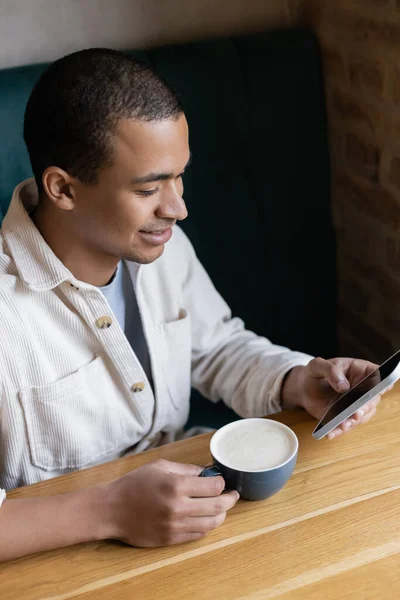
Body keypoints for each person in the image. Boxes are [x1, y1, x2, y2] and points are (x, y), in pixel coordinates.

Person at [0, 48, 381, 561]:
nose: (178, 207)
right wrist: (109, 510)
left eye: (179, 176)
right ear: (63, 188)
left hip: (199, 526)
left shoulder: (158, 243)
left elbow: (215, 346)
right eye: (149, 187)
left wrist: (296, 380)